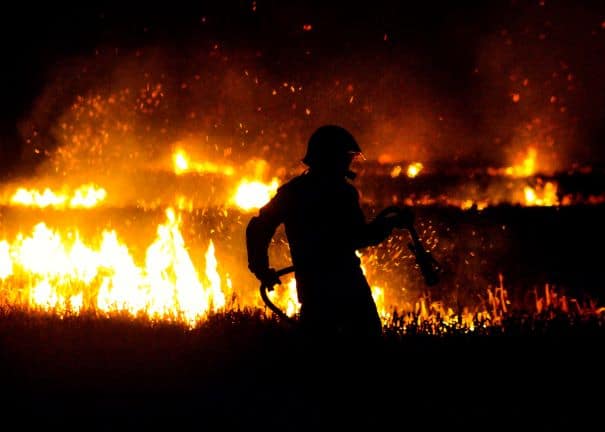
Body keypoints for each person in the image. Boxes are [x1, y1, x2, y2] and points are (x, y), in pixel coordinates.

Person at [246, 125, 412, 342]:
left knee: (318, 355)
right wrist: (391, 223)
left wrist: (261, 269)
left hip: (314, 291)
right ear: (331, 158)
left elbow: (259, 227)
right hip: (349, 289)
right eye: (346, 158)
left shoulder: (294, 192)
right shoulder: (342, 194)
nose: (349, 163)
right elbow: (359, 237)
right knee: (366, 347)